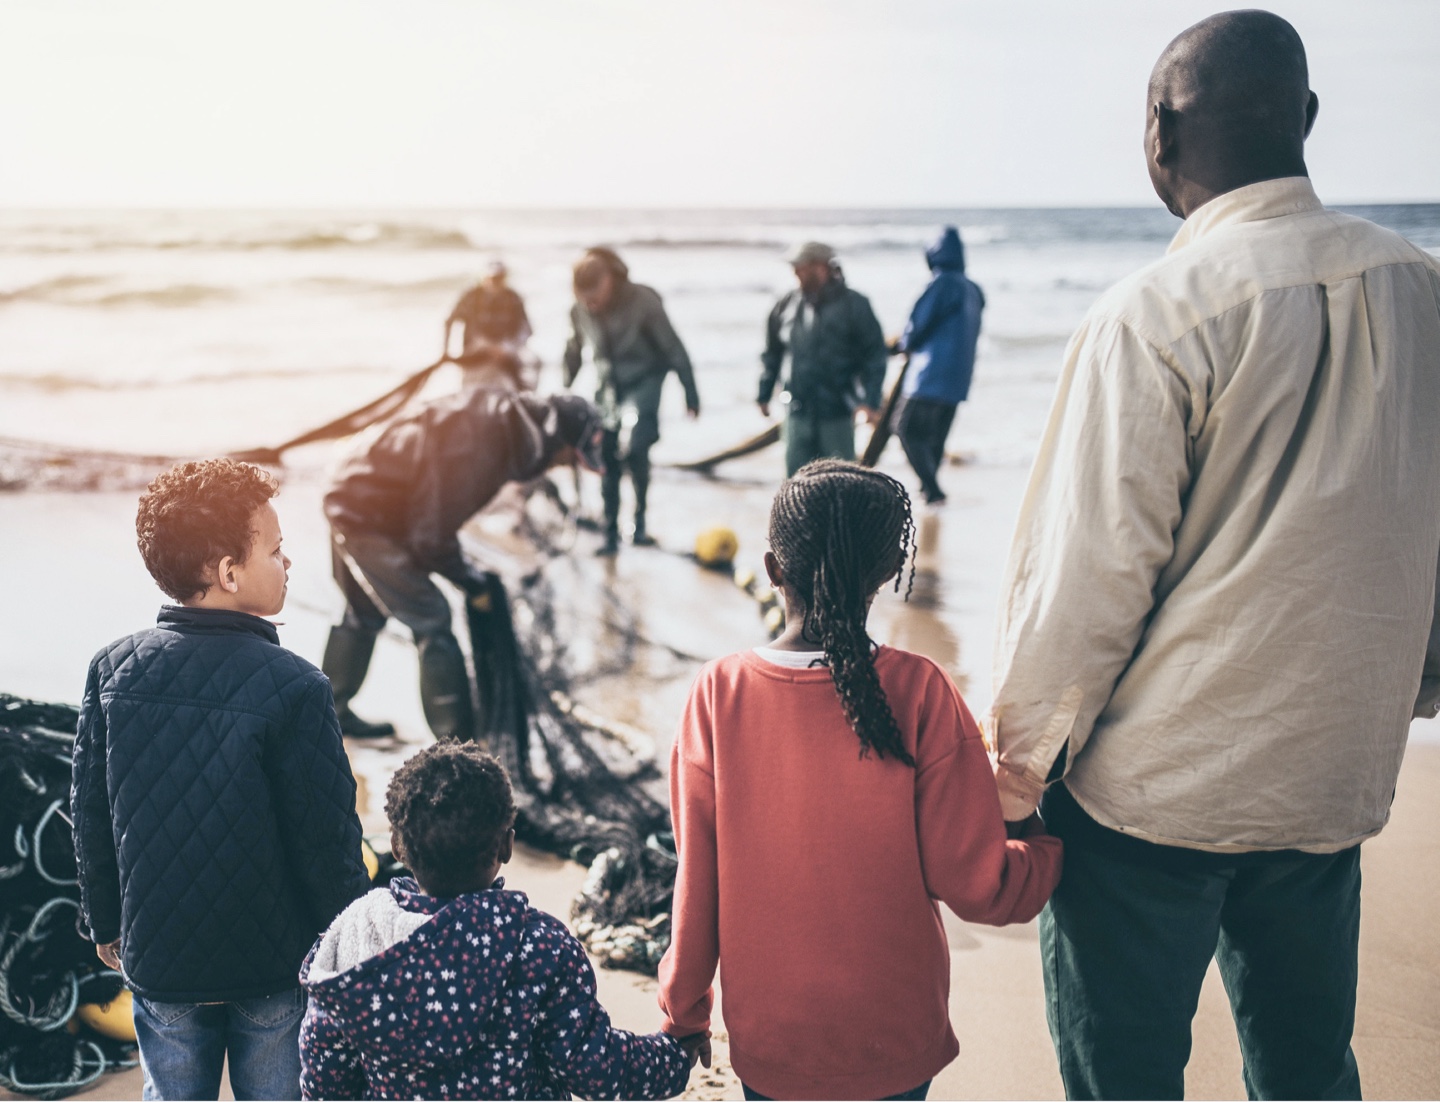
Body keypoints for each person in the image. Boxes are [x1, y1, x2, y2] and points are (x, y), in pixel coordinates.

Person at [989, 11, 1440, 1099]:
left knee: (1124, 1074)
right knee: (1306, 1068)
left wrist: (1013, 777)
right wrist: (1412, 689)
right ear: (1309, 120)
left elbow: (1087, 583)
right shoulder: (1423, 292)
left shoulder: (1154, 315)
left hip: (1156, 796)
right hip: (1330, 776)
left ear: (1159, 131)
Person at [659, 460, 1063, 1101]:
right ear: (883, 576)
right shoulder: (922, 690)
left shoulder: (717, 693)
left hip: (772, 1039)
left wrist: (685, 1010)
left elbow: (696, 880)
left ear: (771, 569)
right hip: (895, 1037)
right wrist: (1043, 849)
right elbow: (976, 884)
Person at [71, 458, 371, 1101]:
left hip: (159, 956)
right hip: (269, 967)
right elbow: (326, 838)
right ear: (230, 573)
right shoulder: (295, 685)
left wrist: (105, 919)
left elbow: (90, 810)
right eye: (277, 549)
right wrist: (346, 945)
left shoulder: (112, 670)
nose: (287, 563)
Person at [299, 742, 702, 1100]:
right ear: (507, 845)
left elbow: (325, 1079)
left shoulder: (354, 938)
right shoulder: (541, 946)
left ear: (397, 847)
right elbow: (595, 1069)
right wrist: (672, 1055)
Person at [321, 389, 603, 741]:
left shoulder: (505, 421)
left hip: (356, 489)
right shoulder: (484, 443)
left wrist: (467, 574)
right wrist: (470, 582)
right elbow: (431, 537)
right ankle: (456, 745)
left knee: (363, 611)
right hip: (363, 510)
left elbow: (429, 516)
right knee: (432, 617)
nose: (561, 466)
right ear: (553, 438)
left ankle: (329, 716)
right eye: (567, 458)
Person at [562, 247, 700, 555]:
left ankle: (639, 524)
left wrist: (690, 392)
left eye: (595, 297)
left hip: (644, 382)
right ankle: (610, 535)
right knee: (605, 456)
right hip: (606, 387)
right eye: (584, 299)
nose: (591, 304)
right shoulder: (579, 309)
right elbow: (574, 348)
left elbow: (674, 347)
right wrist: (564, 390)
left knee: (637, 449)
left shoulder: (643, 301)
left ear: (609, 280)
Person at [758, 242, 889, 477]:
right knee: (795, 486)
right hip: (796, 410)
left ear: (822, 267)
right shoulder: (786, 304)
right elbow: (772, 352)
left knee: (842, 482)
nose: (795, 272)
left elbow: (875, 355)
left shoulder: (855, 304)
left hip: (838, 411)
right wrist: (764, 393)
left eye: (801, 267)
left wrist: (871, 400)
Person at [891, 226, 985, 505]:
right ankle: (930, 490)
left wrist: (904, 344)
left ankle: (932, 489)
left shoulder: (942, 284)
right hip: (959, 376)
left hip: (930, 374)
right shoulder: (973, 289)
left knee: (904, 427)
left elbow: (919, 324)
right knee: (934, 437)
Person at [444, 261, 538, 392]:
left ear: (505, 278)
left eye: (499, 278)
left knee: (535, 363)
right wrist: (445, 352)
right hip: (475, 352)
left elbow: (527, 330)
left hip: (506, 352)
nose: (495, 282)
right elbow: (449, 321)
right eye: (492, 278)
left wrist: (507, 347)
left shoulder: (513, 298)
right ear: (484, 278)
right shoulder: (471, 297)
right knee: (470, 394)